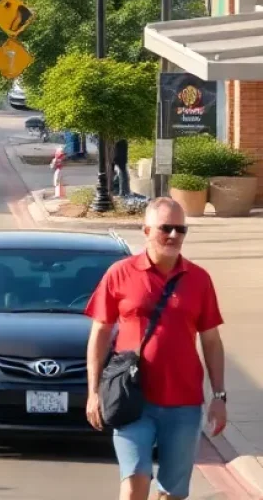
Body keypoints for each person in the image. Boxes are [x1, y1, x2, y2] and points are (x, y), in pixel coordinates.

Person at [85, 197, 226, 500]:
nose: (174, 236)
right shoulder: (120, 273)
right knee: (135, 480)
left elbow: (211, 340)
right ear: (146, 230)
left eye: (181, 229)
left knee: (172, 493)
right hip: (132, 398)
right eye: (166, 228)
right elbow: (100, 333)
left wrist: (219, 395)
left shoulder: (199, 279)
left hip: (184, 403)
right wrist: (93, 392)